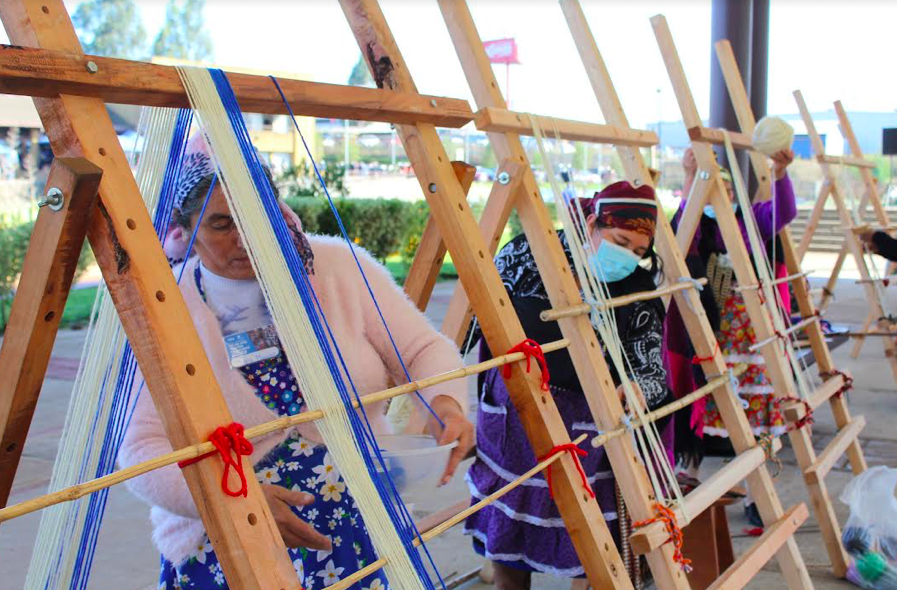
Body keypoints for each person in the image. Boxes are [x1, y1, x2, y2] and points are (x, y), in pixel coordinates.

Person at [118, 136, 474, 590]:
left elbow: (422, 349)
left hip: (358, 518)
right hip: (229, 534)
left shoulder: (338, 267)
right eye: (221, 224)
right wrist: (238, 504)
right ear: (184, 228)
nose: (245, 237)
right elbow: (141, 447)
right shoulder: (164, 305)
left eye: (257, 215)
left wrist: (446, 405)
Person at [462, 181, 674, 590]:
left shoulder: (637, 291)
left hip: (587, 435)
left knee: (589, 543)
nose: (628, 257)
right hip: (515, 420)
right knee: (511, 533)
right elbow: (476, 321)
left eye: (639, 251)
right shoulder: (527, 254)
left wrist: (635, 389)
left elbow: (651, 372)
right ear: (591, 222)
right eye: (620, 242)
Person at [665, 146, 796, 526]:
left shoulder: (752, 219)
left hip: (751, 333)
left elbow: (783, 213)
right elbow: (679, 236)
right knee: (703, 402)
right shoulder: (694, 222)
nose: (717, 196)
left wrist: (780, 173)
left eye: (723, 189)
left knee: (756, 411)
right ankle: (691, 476)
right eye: (709, 189)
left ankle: (758, 492)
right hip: (708, 332)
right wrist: (690, 178)